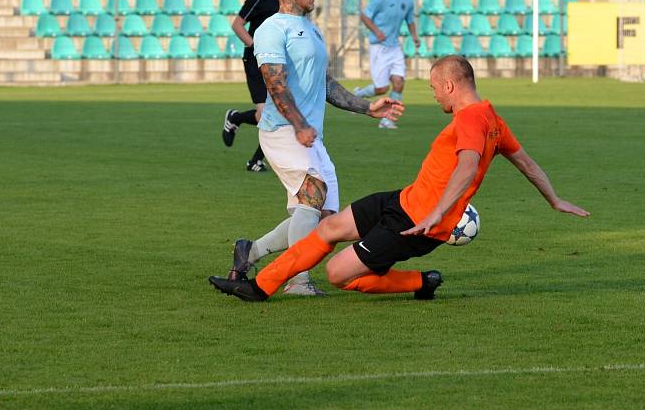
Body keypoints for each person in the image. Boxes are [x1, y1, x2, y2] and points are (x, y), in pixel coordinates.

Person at [209, 55, 590, 302]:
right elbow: (525, 162)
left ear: (450, 86)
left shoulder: (473, 119)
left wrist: (437, 215)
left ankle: (418, 282)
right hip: (403, 201)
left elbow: (467, 167)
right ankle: (259, 287)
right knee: (329, 229)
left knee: (337, 273)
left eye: (433, 86)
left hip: (416, 224)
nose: (433, 92)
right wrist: (553, 199)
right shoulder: (491, 117)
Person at [213, 0, 403, 296]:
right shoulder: (273, 28)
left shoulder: (312, 30)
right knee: (312, 194)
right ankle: (297, 282)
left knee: (326, 219)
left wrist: (366, 108)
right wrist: (299, 124)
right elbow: (275, 84)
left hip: (308, 135)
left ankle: (250, 251)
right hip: (282, 130)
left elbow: (326, 84)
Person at [222, 0, 295, 171]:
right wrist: (257, 47)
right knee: (267, 114)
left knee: (279, 112)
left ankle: (254, 156)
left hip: (281, 63)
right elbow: (237, 25)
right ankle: (241, 127)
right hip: (256, 61)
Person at [354, 0, 420, 129]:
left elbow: (410, 20)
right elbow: (364, 15)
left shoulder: (408, 0)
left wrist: (414, 36)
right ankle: (359, 95)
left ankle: (387, 119)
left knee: (399, 83)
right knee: (381, 89)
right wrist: (377, 31)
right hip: (379, 47)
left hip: (395, 47)